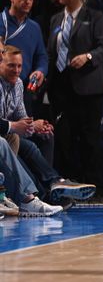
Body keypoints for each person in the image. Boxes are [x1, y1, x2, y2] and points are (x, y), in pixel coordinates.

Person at [0, 45, 96, 204]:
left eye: (19, 66)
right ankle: (43, 197)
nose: (16, 70)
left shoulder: (18, 84)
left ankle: (55, 182)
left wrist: (34, 126)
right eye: (11, 65)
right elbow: (11, 125)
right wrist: (18, 127)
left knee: (42, 138)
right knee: (19, 146)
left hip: (8, 133)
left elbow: (22, 118)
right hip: (6, 134)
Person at [46, 0, 103, 186]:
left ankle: (93, 185)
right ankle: (69, 184)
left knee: (89, 140)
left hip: (88, 88)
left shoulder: (94, 17)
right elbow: (50, 52)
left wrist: (88, 57)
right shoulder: (55, 19)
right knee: (64, 139)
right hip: (61, 87)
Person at [0, 0, 47, 89]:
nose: (28, 1)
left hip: (24, 88)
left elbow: (42, 56)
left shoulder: (34, 27)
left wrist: (40, 70)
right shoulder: (1, 21)